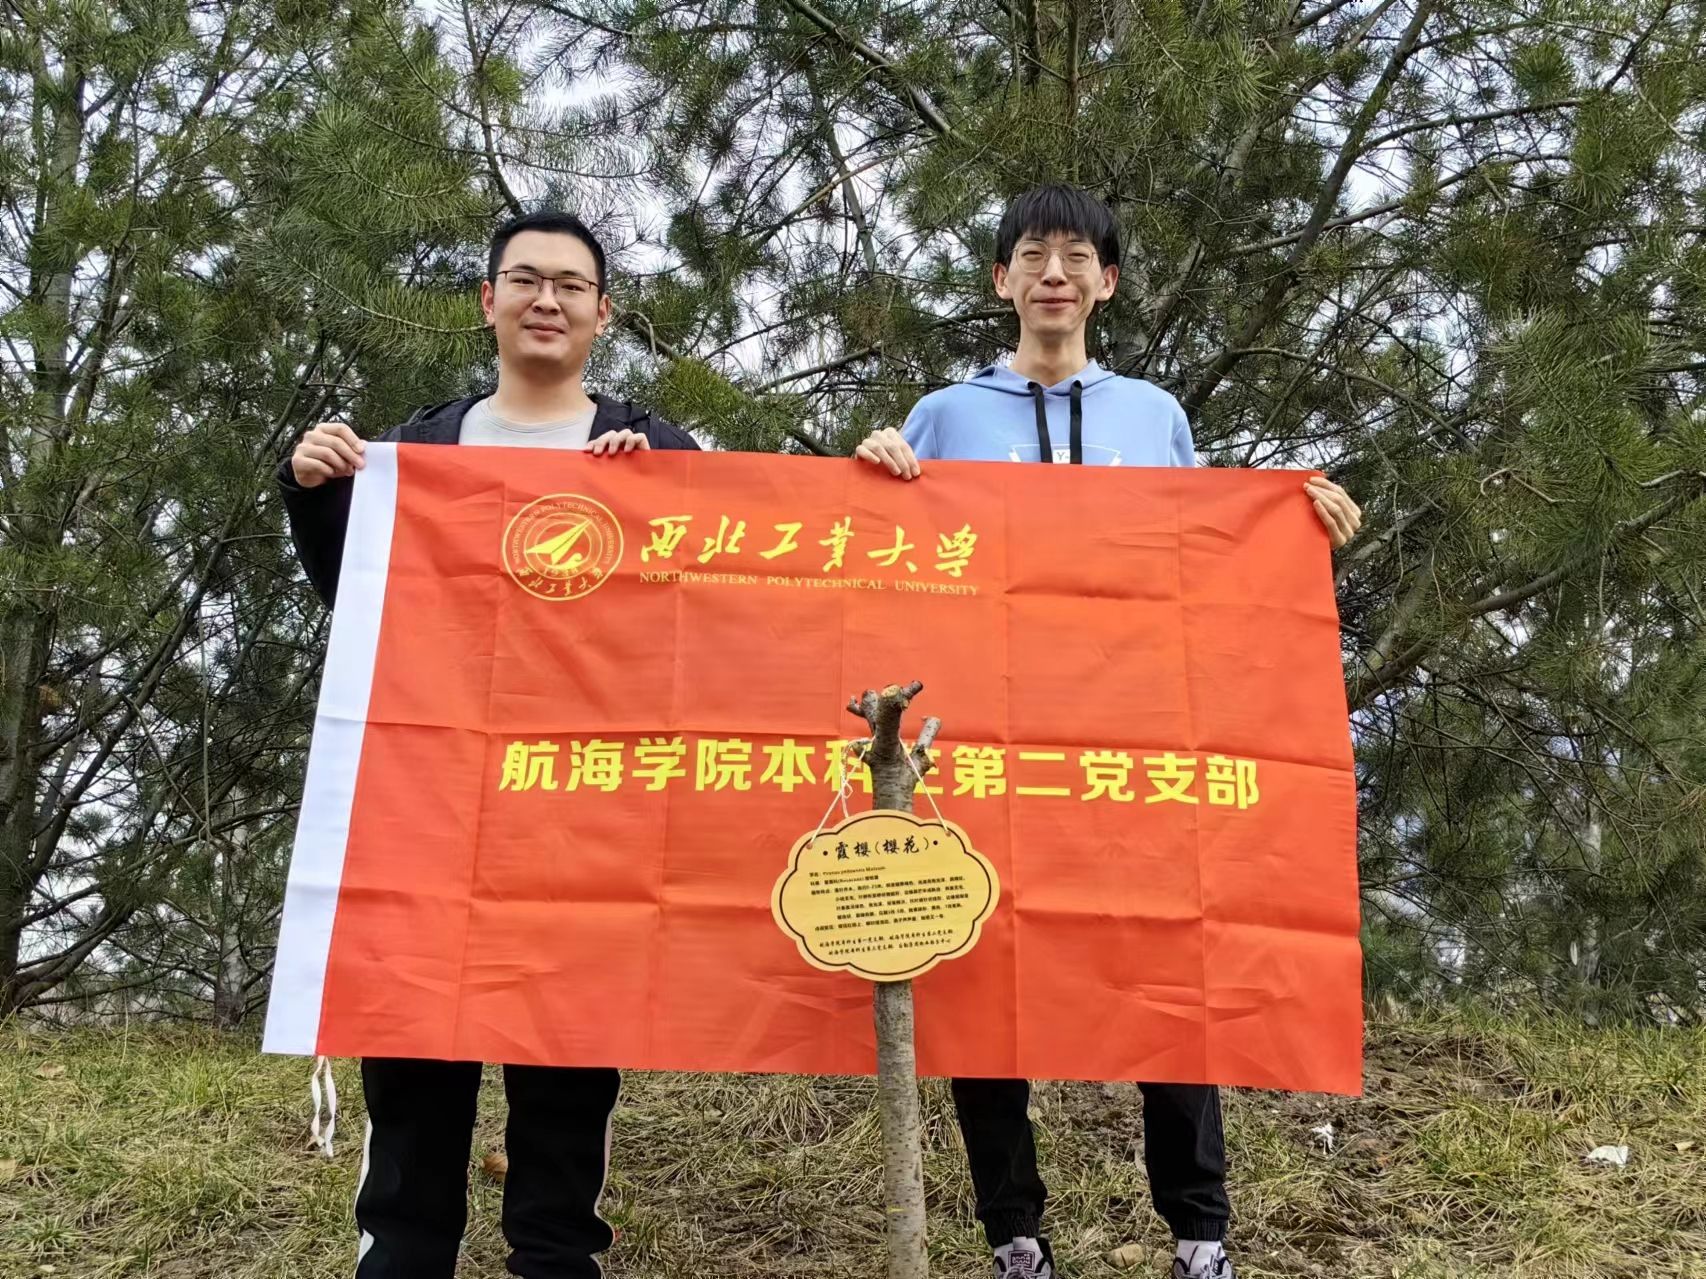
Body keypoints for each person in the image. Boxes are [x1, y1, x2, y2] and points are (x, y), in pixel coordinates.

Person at [854, 185, 1362, 1279]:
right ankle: (1014, 1236)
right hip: (990, 736)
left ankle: (1199, 1234)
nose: (1054, 273)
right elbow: (893, 556)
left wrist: (1296, 528)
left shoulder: (1153, 415)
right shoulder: (945, 413)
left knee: (1171, 965)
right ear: (1001, 280)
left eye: (1076, 256)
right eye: (1033, 254)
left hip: (1135, 735)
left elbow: (1203, 561)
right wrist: (878, 464)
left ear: (1107, 282)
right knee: (984, 967)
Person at [279, 209, 699, 1278]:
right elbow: (359, 608)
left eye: (570, 285)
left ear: (603, 313)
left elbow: (702, 621)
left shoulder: (655, 447)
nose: (546, 300)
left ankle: (555, 1258)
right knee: (416, 1055)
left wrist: (656, 493)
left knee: (566, 1062)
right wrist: (315, 492)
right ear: (488, 300)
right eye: (524, 280)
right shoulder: (421, 448)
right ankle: (402, 1255)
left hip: (583, 810)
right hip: (431, 805)